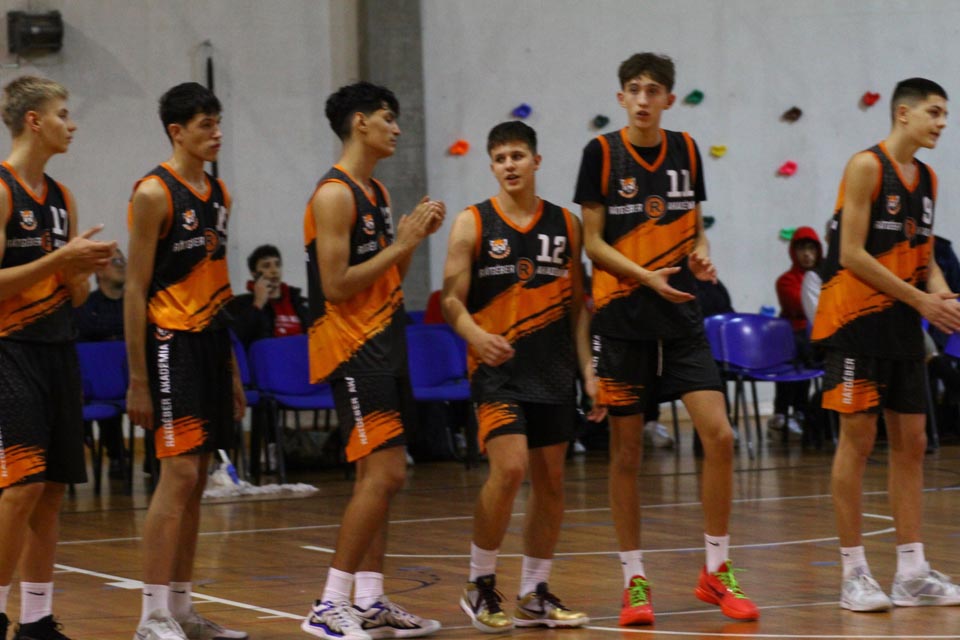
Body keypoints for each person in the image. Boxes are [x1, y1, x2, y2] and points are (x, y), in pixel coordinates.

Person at [574, 52, 758, 625]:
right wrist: (643, 275)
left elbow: (695, 226)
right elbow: (591, 243)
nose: (644, 98)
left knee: (719, 436)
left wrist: (701, 255)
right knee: (626, 454)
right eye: (634, 89)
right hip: (622, 324)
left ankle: (717, 570)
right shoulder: (601, 154)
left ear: (669, 100)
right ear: (621, 97)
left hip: (681, 321)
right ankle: (634, 581)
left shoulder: (687, 150)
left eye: (654, 90)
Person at [441, 121, 604, 632]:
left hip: (553, 369)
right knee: (510, 469)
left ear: (536, 160)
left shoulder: (567, 224)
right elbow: (450, 301)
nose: (509, 165)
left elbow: (578, 308)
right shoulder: (472, 223)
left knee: (551, 483)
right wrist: (475, 336)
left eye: (517, 155)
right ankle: (479, 583)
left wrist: (589, 370)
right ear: (492, 166)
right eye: (500, 158)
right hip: (497, 371)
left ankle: (534, 593)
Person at [300, 81, 443, 640]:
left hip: (385, 339)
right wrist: (402, 244)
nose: (397, 128)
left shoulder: (376, 192)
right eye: (388, 117)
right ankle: (329, 603)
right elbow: (335, 285)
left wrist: (411, 240)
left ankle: (370, 599)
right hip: (352, 347)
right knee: (387, 473)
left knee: (377, 478)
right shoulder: (334, 194)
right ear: (360, 123)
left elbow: (387, 276)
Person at [812, 77, 960, 612]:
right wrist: (921, 300)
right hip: (854, 324)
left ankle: (912, 573)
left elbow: (925, 255)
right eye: (934, 112)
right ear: (903, 113)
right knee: (857, 441)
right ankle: (853, 573)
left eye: (945, 114)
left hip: (901, 328)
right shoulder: (866, 166)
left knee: (913, 443)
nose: (942, 122)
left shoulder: (929, 178)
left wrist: (941, 295)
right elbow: (850, 253)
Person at [125, 82, 247, 640]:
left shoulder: (219, 193)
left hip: (212, 343)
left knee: (197, 479)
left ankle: (181, 608)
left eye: (218, 123)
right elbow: (134, 289)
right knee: (177, 473)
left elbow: (219, 283)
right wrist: (137, 379)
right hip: (170, 341)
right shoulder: (153, 193)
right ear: (177, 132)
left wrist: (233, 370)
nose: (217, 133)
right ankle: (150, 615)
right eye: (205, 125)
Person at [0, 76, 116, 640]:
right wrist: (60, 261)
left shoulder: (62, 198)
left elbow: (73, 293)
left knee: (51, 489)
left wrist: (81, 272)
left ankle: (37, 621)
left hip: (58, 347)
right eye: (63, 114)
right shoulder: (2, 190)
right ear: (34, 121)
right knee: (21, 485)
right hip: (10, 351)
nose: (72, 124)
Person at [75, 247, 127, 477]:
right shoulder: (87, 306)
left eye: (123, 261)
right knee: (105, 387)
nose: (121, 266)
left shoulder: (134, 303)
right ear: (99, 271)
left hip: (132, 374)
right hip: (101, 380)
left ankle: (155, 459)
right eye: (115, 261)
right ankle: (116, 454)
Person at [769, 226, 823, 439]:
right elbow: (802, 306)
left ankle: (804, 412)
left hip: (815, 338)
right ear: (793, 251)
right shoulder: (786, 281)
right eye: (802, 249)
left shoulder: (825, 276)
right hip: (793, 338)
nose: (807, 254)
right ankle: (783, 413)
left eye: (811, 249)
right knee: (798, 348)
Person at [227, 244, 310, 348]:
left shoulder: (300, 303)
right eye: (266, 266)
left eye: (277, 265)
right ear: (254, 273)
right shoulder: (242, 304)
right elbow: (237, 339)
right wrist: (258, 304)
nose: (274, 270)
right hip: (269, 356)